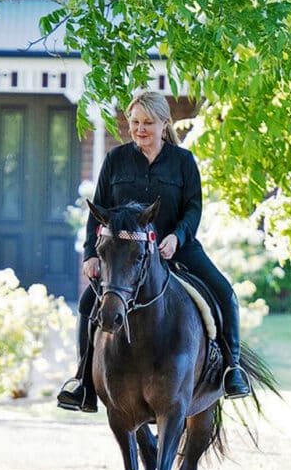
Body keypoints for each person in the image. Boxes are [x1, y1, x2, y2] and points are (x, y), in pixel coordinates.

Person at [57, 91, 252, 411]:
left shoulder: (183, 162)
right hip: (125, 255)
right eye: (135, 122)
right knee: (87, 304)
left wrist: (177, 236)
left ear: (164, 124)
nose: (140, 129)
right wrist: (91, 253)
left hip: (175, 248)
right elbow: (98, 212)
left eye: (148, 122)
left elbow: (193, 209)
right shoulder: (115, 160)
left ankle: (232, 370)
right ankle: (83, 381)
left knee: (224, 292)